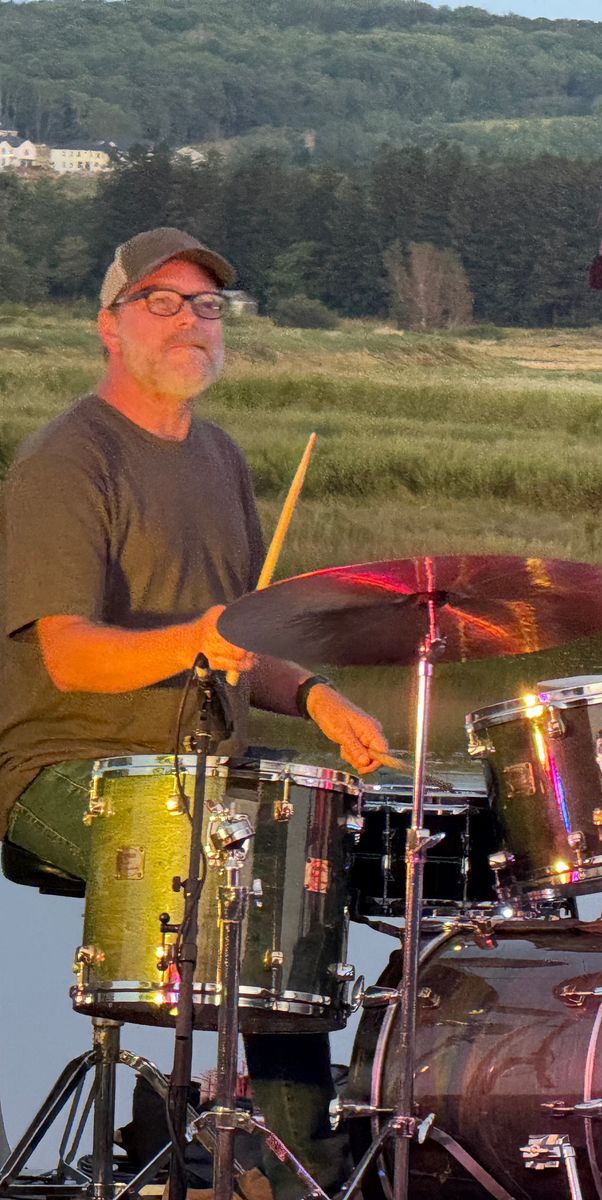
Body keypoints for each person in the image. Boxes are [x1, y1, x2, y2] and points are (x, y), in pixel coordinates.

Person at [0, 227, 391, 1198]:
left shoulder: (220, 457)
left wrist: (313, 694)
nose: (191, 323)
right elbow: (68, 655)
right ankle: (298, 1170)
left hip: (205, 782)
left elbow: (232, 643)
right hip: (63, 770)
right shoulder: (67, 461)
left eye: (207, 307)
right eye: (164, 303)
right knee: (249, 875)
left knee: (303, 865)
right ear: (110, 325)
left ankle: (311, 1166)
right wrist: (195, 640)